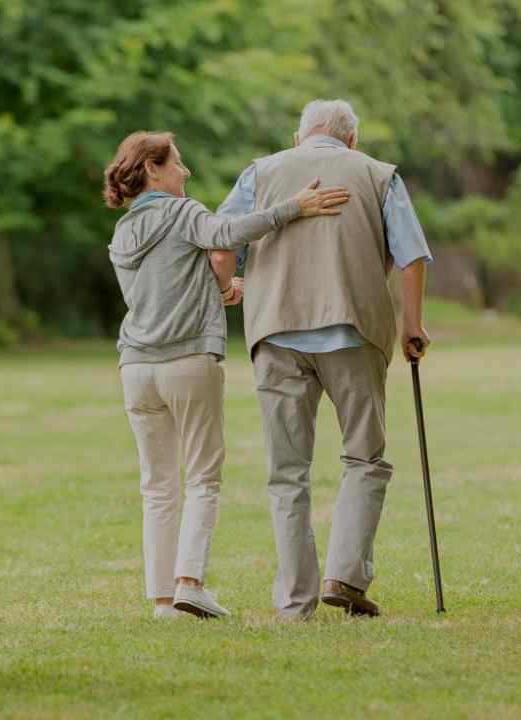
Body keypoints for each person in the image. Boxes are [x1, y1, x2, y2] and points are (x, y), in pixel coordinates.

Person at [104, 130, 350, 619]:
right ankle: (190, 582)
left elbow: (164, 290)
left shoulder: (123, 232)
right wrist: (293, 208)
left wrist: (217, 292)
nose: (186, 171)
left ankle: (161, 599)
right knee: (202, 478)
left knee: (156, 485)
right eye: (177, 162)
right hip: (188, 361)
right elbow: (229, 235)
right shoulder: (183, 212)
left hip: (135, 366)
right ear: (152, 169)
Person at [218, 99, 432, 620]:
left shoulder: (261, 171)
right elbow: (411, 256)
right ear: (351, 141)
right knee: (364, 458)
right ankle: (345, 576)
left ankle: (294, 603)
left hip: (276, 334)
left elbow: (221, 244)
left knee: (287, 472)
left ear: (299, 138)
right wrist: (412, 326)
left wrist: (230, 286)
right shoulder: (379, 175)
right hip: (354, 333)